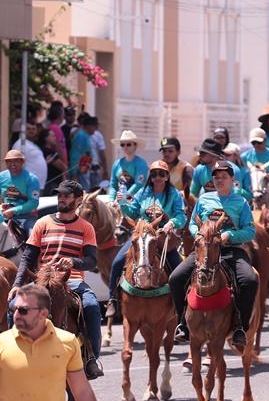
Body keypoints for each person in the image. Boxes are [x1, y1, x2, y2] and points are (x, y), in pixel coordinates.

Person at [0, 283, 121, 401]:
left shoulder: (67, 341)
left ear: (43, 313)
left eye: (23, 310)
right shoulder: (2, 344)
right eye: (14, 309)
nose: (16, 315)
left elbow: (81, 390)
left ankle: (92, 357)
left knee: (90, 306)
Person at [8, 180, 103, 378]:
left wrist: (73, 262)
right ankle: (11, 354)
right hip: (42, 280)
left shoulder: (86, 227)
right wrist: (17, 285)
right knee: (13, 305)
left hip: (73, 280)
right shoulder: (42, 223)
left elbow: (91, 260)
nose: (61, 199)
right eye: (60, 195)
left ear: (79, 200)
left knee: (92, 306)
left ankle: (91, 357)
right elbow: (27, 258)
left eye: (66, 196)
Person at [169, 162, 258, 347]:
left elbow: (250, 232)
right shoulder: (203, 200)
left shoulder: (241, 202)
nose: (219, 180)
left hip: (231, 250)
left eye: (224, 177)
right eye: (216, 177)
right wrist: (200, 236)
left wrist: (229, 235)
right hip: (205, 250)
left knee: (249, 280)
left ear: (233, 180)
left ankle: (240, 327)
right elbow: (192, 223)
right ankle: (182, 323)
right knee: (175, 278)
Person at [105, 160, 186, 319]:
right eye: (154, 174)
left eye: (161, 174)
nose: (158, 177)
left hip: (162, 237)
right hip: (141, 236)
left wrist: (172, 222)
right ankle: (112, 300)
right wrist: (122, 203)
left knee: (179, 270)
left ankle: (181, 307)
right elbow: (131, 213)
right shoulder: (143, 192)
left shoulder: (174, 194)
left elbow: (181, 217)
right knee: (117, 263)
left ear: (167, 176)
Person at [0, 150, 40, 234]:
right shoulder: (1, 177)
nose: (12, 164)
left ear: (22, 162)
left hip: (26, 217)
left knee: (33, 236)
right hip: (4, 215)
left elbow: (34, 202)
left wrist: (13, 211)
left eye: (16, 161)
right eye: (9, 161)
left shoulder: (31, 178)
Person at [107, 130, 149, 202]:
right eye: (122, 145)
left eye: (128, 144)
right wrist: (111, 200)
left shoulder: (141, 163)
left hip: (138, 200)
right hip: (120, 200)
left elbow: (139, 184)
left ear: (135, 146)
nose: (125, 147)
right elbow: (113, 184)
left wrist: (124, 196)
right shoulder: (116, 164)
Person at [68, 116, 97, 191]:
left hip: (85, 169)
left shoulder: (85, 135)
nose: (96, 129)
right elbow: (75, 154)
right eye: (95, 127)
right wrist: (74, 174)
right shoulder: (81, 135)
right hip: (79, 171)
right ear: (91, 126)